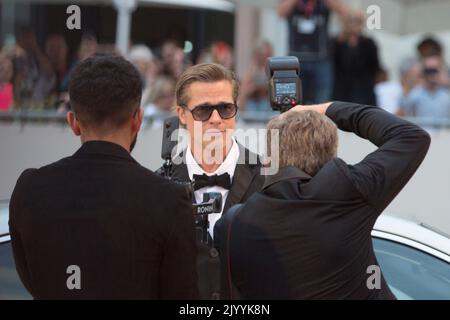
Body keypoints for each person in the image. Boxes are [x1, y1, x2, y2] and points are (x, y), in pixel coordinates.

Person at [9, 55, 198, 299]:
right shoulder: (168, 199)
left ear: (73, 122)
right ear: (138, 120)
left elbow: (31, 279)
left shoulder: (30, 190)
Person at [215, 100, 431, 299]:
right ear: (332, 155)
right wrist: (326, 109)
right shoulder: (349, 192)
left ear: (269, 161)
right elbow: (411, 136)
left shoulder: (233, 225)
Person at [156, 63, 264, 299]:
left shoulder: (270, 178)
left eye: (225, 108)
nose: (216, 119)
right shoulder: (156, 187)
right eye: (203, 111)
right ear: (182, 115)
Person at [278, 0, 348, 103]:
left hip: (321, 60)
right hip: (295, 61)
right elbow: (281, 12)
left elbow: (344, 11)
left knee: (322, 101)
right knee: (293, 101)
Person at [332, 9, 380, 105]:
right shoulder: (337, 42)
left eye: (357, 22)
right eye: (350, 21)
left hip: (364, 89)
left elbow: (375, 66)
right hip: (342, 90)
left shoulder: (368, 43)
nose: (353, 25)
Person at [399, 55, 450, 120]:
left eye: (434, 70)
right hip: (422, 129)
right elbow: (404, 113)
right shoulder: (416, 92)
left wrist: (446, 82)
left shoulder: (446, 93)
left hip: (445, 129)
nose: (431, 74)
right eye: (428, 70)